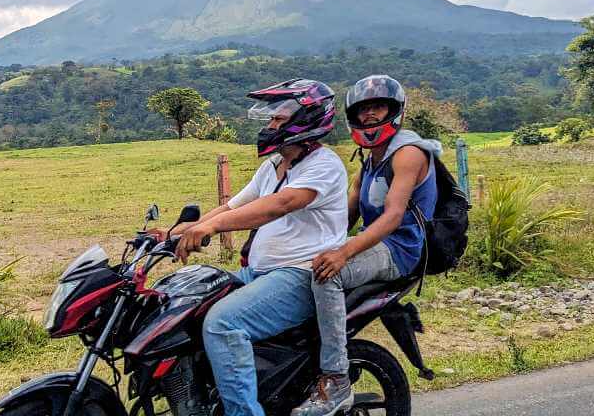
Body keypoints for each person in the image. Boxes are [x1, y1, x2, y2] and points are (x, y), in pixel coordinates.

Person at [173, 79, 348, 416]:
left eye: (278, 120)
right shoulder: (272, 166)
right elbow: (231, 207)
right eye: (270, 120)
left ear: (306, 120)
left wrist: (211, 227)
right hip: (259, 272)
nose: (269, 127)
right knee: (187, 304)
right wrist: (181, 231)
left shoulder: (324, 166)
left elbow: (279, 205)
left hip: (298, 276)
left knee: (222, 323)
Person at [292, 75, 441, 416]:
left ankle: (336, 379)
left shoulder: (408, 154)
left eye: (378, 107)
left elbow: (392, 216)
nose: (371, 115)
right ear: (353, 117)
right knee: (303, 264)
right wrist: (303, 245)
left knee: (328, 275)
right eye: (364, 110)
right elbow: (346, 213)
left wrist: (342, 254)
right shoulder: (370, 159)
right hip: (376, 243)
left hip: (399, 250)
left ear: (395, 111)